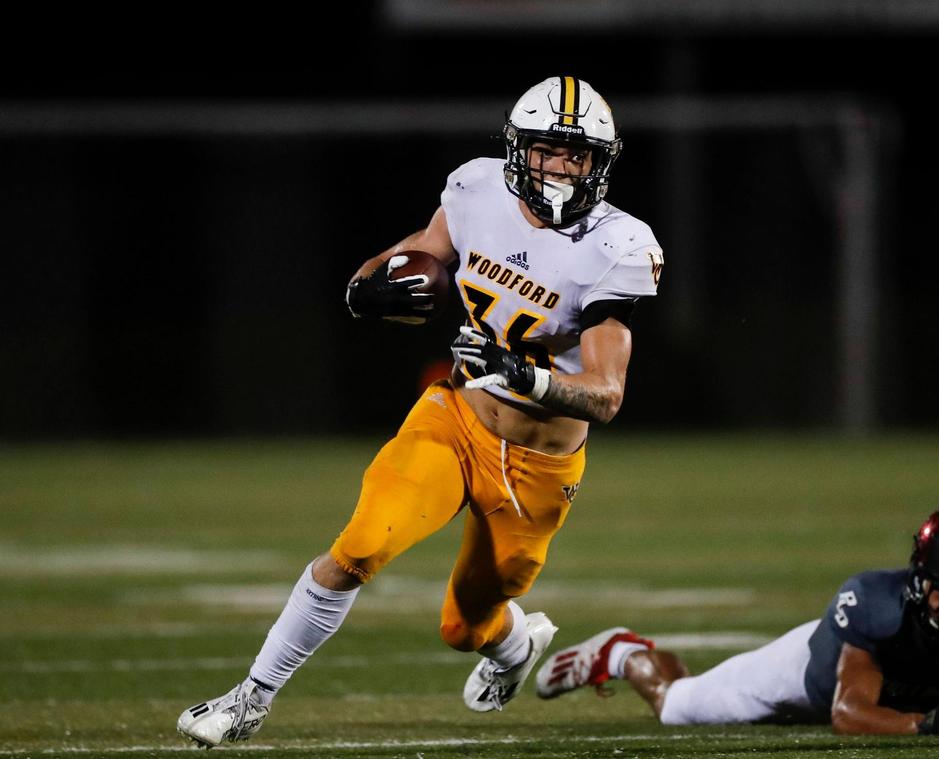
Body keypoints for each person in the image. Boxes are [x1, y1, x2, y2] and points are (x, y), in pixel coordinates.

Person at [176, 76, 663, 747]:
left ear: (598, 165)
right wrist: (368, 281)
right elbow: (426, 252)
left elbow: (607, 393)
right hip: (456, 418)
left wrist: (526, 373)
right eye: (547, 150)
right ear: (520, 151)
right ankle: (250, 698)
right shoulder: (476, 187)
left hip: (537, 469)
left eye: (576, 155)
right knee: (359, 547)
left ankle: (516, 647)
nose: (559, 166)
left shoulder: (617, 244)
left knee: (465, 627)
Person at [536, 502, 939, 736]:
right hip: (807, 676)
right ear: (922, 576)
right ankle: (623, 653)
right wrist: (923, 724)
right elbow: (848, 711)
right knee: (678, 707)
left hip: (871, 699)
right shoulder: (876, 604)